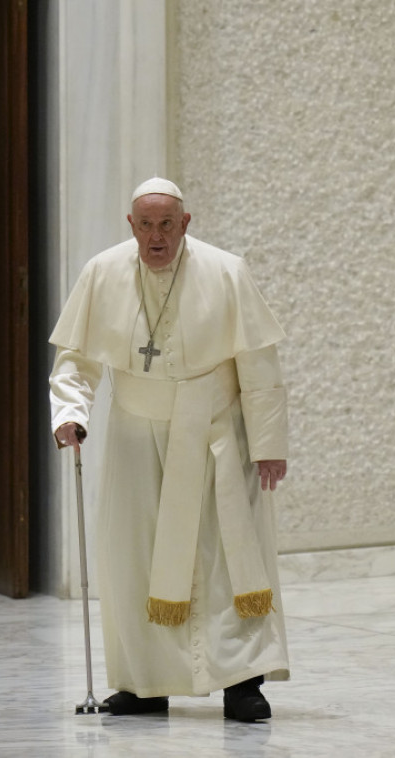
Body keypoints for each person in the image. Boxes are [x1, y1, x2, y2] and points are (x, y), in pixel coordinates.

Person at [49, 178, 290, 722]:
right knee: (133, 558)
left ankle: (241, 684)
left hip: (216, 437)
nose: (156, 237)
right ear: (130, 226)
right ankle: (143, 684)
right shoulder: (102, 273)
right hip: (137, 437)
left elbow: (259, 366)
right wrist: (69, 414)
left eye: (166, 225)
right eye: (145, 225)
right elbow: (75, 359)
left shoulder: (227, 272)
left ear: (185, 224)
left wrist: (269, 443)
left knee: (225, 560)